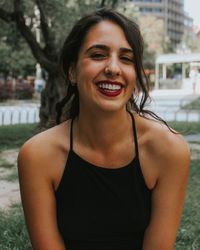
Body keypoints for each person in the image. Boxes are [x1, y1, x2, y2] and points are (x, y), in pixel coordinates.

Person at [18, 8, 190, 250]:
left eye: (126, 58)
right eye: (98, 55)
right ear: (72, 72)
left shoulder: (169, 150)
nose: (113, 68)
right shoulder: (37, 155)